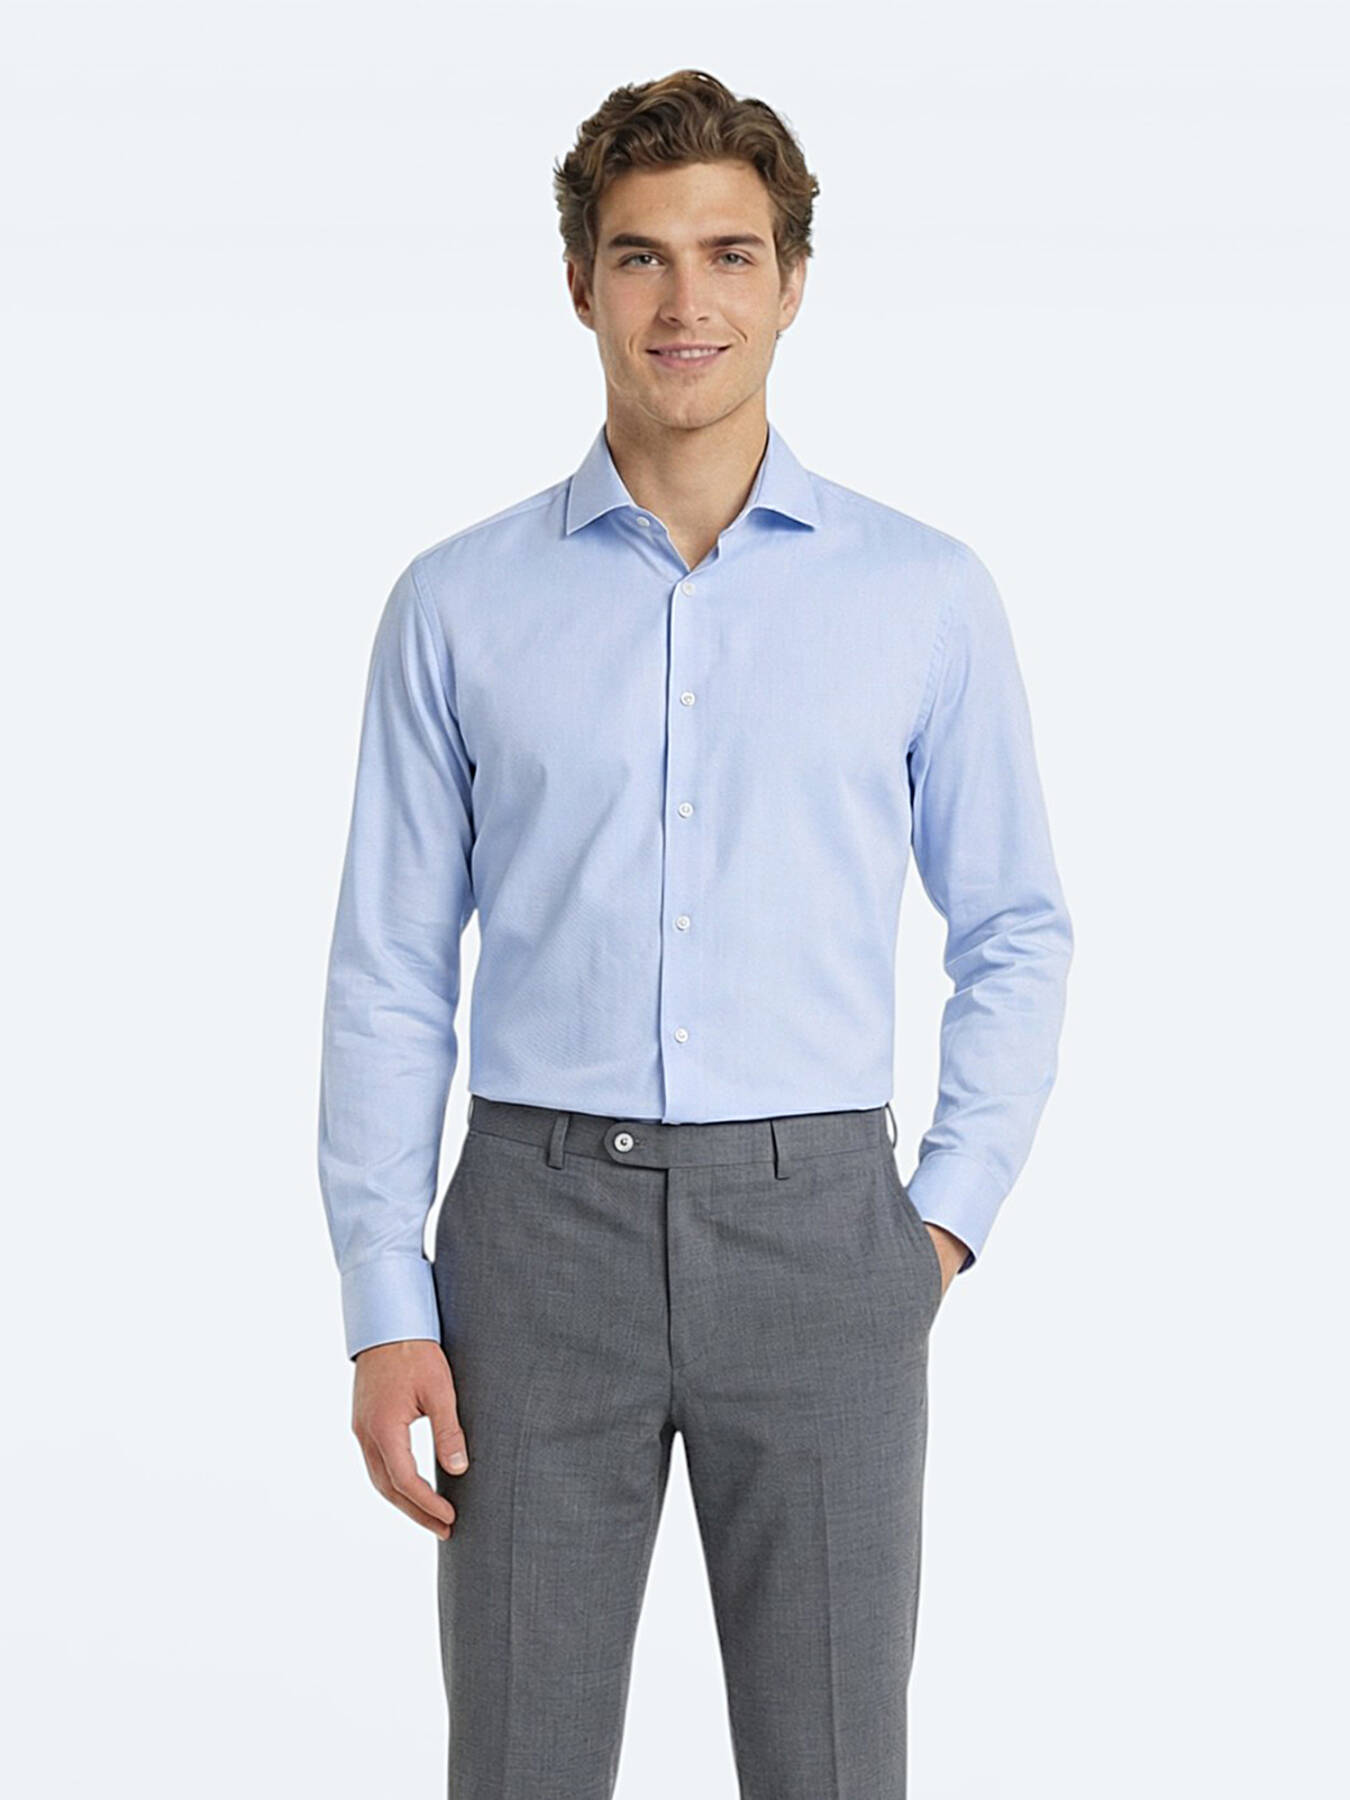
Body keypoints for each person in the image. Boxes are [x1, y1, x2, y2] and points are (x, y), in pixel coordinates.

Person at [317, 66, 1073, 1800]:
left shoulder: (921, 594)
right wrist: (381, 1300)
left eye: (729, 253)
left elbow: (1015, 926)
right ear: (577, 281)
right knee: (519, 1765)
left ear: (791, 282)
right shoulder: (457, 602)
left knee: (832, 1769)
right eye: (640, 254)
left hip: (825, 1239)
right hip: (531, 1241)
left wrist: (936, 1227)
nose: (685, 301)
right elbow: (390, 967)